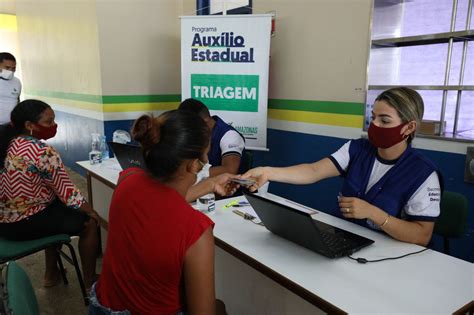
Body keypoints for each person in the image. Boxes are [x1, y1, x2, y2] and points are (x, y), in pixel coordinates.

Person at [241, 87, 441, 246]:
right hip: (345, 239)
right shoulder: (357, 149)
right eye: (373, 117)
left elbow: (422, 235)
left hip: (388, 254)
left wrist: (374, 213)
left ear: (409, 127)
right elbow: (313, 171)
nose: (375, 125)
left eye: (385, 120)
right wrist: (268, 172)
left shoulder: (422, 173)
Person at [90, 110, 233, 315]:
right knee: (219, 308)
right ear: (194, 164)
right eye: (205, 156)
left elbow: (162, 204)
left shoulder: (128, 179)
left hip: (102, 308)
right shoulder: (196, 229)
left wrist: (210, 184)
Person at [0, 99, 99, 288]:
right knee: (90, 223)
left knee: (54, 208)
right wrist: (91, 211)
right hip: (24, 224)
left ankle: (51, 274)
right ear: (29, 125)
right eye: (49, 122)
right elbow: (69, 194)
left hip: (3, 223)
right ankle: (90, 278)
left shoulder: (5, 143)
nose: (54, 126)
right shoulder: (41, 151)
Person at [178, 98, 246, 177]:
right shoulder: (195, 134)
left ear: (205, 120)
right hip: (204, 186)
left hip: (231, 188)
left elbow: (230, 170)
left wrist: (195, 176)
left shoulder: (230, 135)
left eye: (190, 126)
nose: (189, 129)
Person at [0, 52, 22, 124]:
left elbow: (17, 100)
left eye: (13, 68)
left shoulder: (17, 81)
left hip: (12, 124)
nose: (11, 71)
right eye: (7, 67)